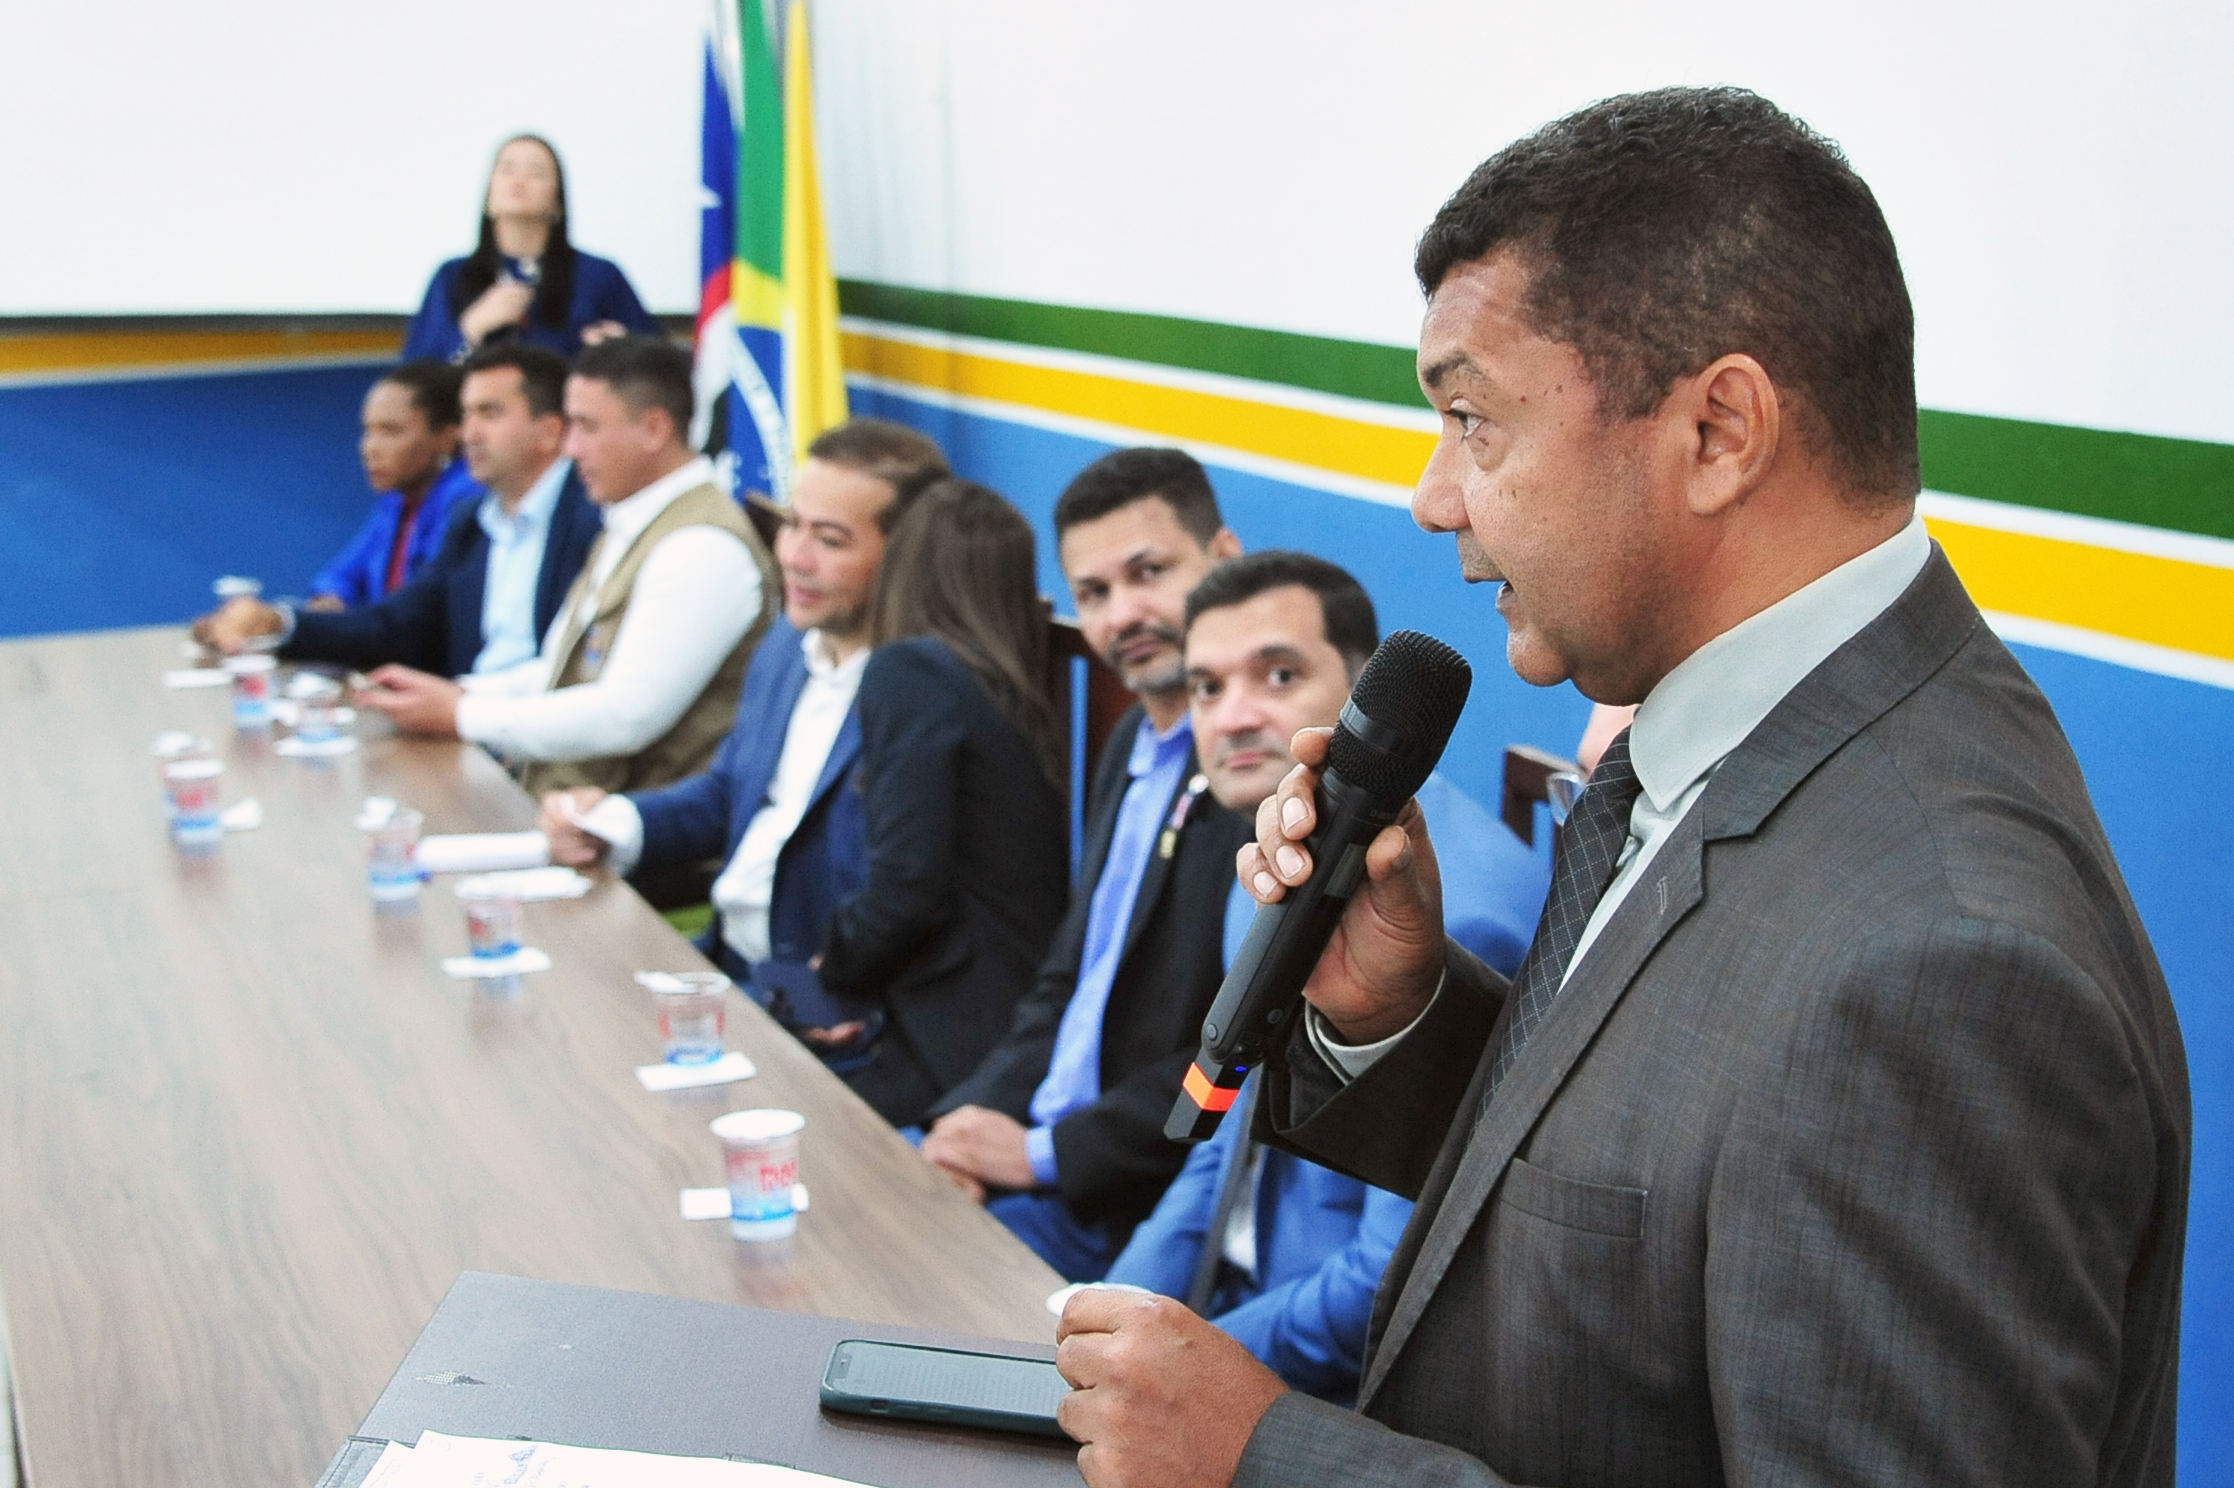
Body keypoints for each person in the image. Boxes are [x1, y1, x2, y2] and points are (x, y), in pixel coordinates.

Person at [1050, 88, 2189, 1488]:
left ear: (1717, 432)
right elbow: (1658, 1198)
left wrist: (1268, 1459)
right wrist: (1390, 1022)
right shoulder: (1723, 742)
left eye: (1472, 421)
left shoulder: (1939, 958)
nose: (1431, 496)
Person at [1101, 552, 1545, 1403]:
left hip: (1336, 1387)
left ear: (1363, 696)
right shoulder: (1277, 865)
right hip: (1232, 1313)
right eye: (1204, 688)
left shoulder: (1459, 915)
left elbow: (1390, 1276)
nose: (1233, 717)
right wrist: (1104, 1316)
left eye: (1277, 674)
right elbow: (1216, 1147)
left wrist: (1174, 1368)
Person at [918, 448, 1251, 1280]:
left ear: (1225, 561)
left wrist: (1042, 1155)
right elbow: (1066, 985)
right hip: (1037, 1151)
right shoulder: (1131, 749)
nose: (1122, 614)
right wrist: (964, 1127)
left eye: (1148, 572)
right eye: (1094, 594)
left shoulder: (1261, 790)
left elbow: (1234, 1063)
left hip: (1125, 1203)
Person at [535, 417, 951, 1031]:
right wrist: (614, 820)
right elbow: (732, 790)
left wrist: (835, 998)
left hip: (819, 1008)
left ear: (904, 558)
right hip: (725, 968)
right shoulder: (788, 645)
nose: (794, 556)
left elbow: (908, 907)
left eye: (830, 540)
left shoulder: (923, 697)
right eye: (791, 525)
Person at [358, 337, 776, 798]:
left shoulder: (701, 546)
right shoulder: (630, 520)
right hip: (574, 813)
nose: (571, 448)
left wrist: (461, 715)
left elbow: (625, 716)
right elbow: (561, 669)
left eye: (586, 426)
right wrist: (458, 694)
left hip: (646, 852)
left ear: (655, 429)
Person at [781, 477, 1069, 1127]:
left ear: (905, 570)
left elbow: (907, 887)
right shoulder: (1014, 695)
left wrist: (836, 975)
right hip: (1001, 1032)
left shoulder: (910, 672)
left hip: (942, 1046)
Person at [192, 345, 600, 677]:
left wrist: (464, 708)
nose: (470, 433)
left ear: (550, 431)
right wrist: (280, 625)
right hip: (472, 726)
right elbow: (397, 624)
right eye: (466, 414)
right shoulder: (476, 521)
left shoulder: (595, 520)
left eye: (490, 414)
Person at [402, 134, 660, 364]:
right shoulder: (453, 276)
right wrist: (470, 329)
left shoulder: (599, 276)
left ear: (557, 204)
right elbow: (415, 381)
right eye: (507, 169)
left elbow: (660, 366)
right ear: (489, 198)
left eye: (536, 172)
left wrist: (622, 351)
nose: (520, 180)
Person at [306, 361, 481, 609]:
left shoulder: (466, 501)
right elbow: (338, 577)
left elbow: (419, 609)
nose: (369, 448)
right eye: (367, 430)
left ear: (446, 438)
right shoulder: (397, 499)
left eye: (390, 432)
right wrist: (327, 605)